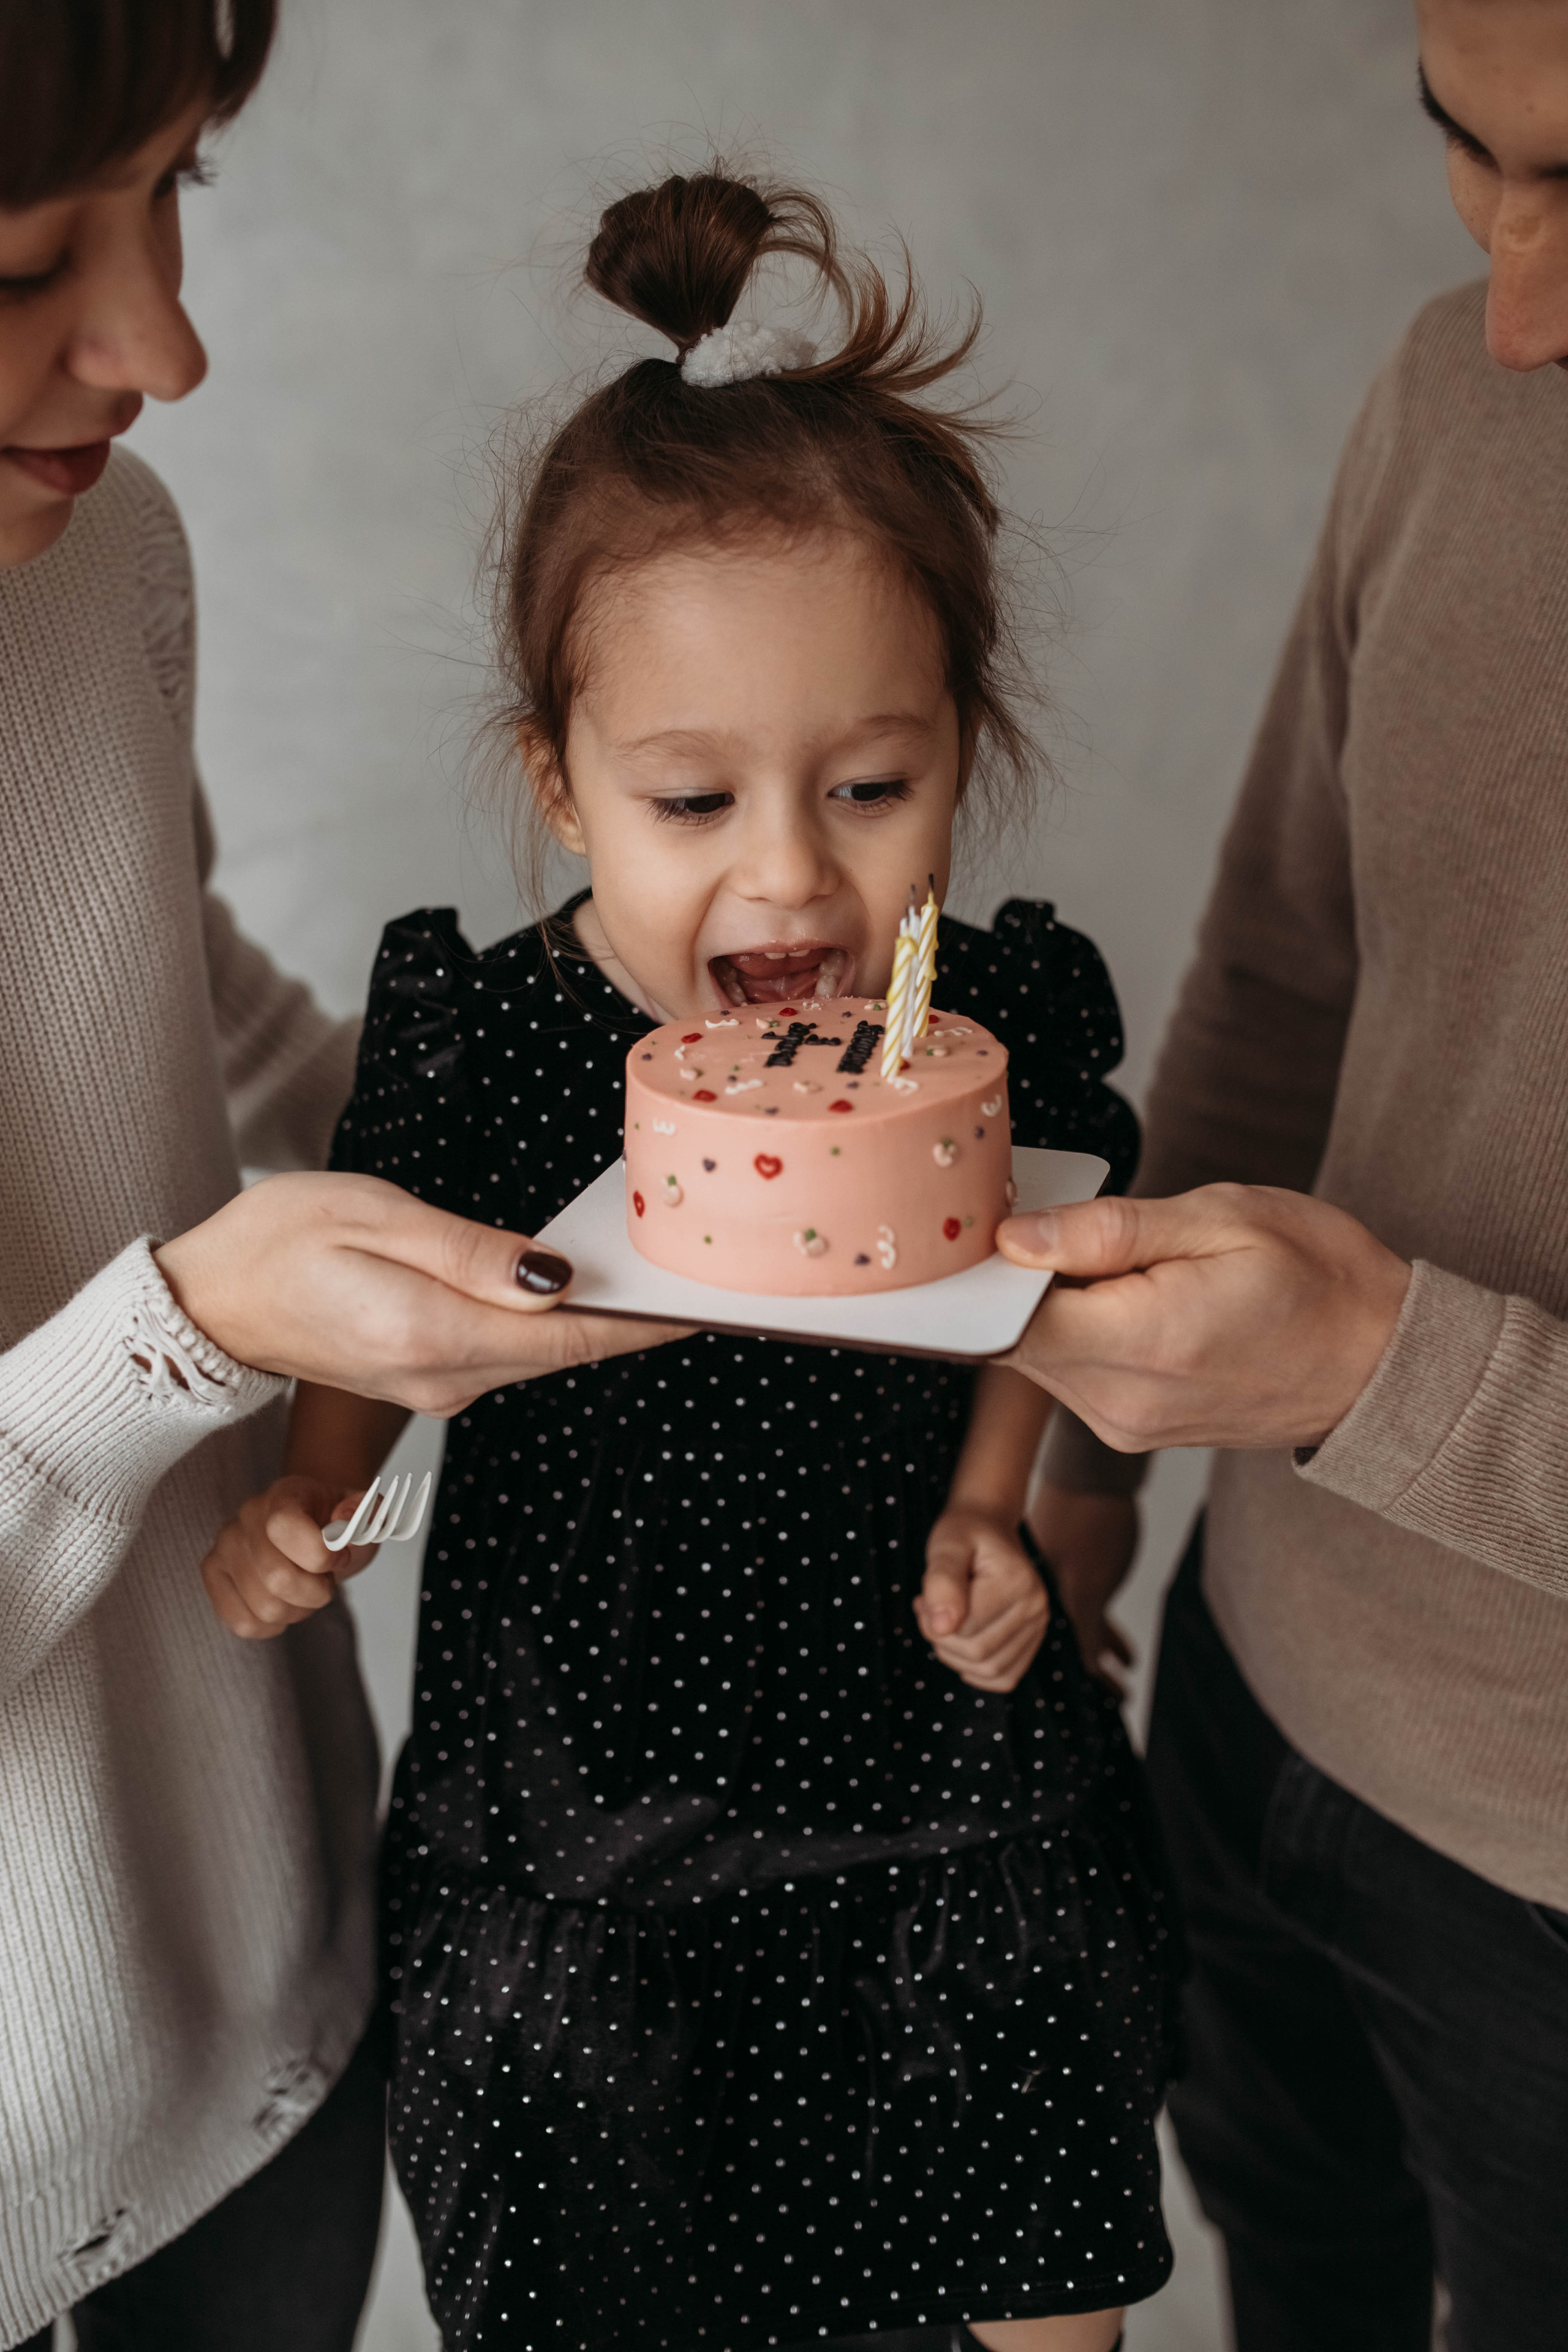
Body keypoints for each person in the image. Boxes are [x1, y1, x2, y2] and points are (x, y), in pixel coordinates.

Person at [203, 168, 1181, 2352]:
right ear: (561, 785)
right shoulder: (493, 1046)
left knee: (1033, 2289)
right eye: (691, 801)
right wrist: (314, 1481)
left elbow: (1040, 1262)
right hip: (588, 1814)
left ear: (961, 761)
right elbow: (368, 1283)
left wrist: (996, 1505)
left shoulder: (994, 1020)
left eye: (868, 786)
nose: (790, 878)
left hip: (932, 1788)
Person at [0, 7, 669, 2348]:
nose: (159, 346)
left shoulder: (94, 557)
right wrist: (193, 1327)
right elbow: (180, 1278)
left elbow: (169, 1009)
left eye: (178, 189)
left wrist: (606, 1097)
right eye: (20, 269)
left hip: (275, 1959)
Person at [1000, 2, 1568, 2345]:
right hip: (1248, 1701)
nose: (1516, 307)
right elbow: (1288, 966)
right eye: (1473, 154)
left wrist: (1375, 1369)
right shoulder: (1452, 391)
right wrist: (1097, 1493)